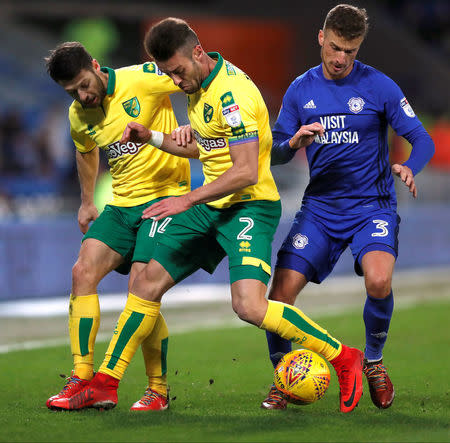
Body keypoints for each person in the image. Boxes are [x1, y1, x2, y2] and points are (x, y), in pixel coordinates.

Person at [52, 18, 364, 414]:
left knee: (249, 307)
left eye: (178, 72)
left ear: (198, 53)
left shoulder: (232, 93)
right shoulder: (198, 89)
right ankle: (106, 383)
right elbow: (210, 150)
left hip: (249, 205)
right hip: (211, 206)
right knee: (145, 283)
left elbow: (246, 170)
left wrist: (188, 199)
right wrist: (155, 138)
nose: (176, 82)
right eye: (168, 74)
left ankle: (342, 356)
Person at [261, 4, 435, 410]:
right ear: (321, 38)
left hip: (371, 207)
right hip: (320, 208)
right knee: (279, 296)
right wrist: (293, 143)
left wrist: (410, 167)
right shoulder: (300, 90)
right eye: (336, 48)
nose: (341, 59)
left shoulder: (380, 86)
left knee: (378, 282)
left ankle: (372, 362)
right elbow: (275, 154)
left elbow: (422, 139)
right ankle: (284, 376)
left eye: (351, 52)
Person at [44, 41, 193, 411]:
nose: (82, 96)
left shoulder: (142, 78)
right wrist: (87, 201)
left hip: (165, 199)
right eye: (71, 92)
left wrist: (198, 122)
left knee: (140, 289)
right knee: (82, 272)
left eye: (84, 85)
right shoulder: (79, 114)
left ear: (95, 66)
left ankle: (157, 390)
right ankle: (81, 377)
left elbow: (192, 80)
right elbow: (85, 150)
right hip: (122, 205)